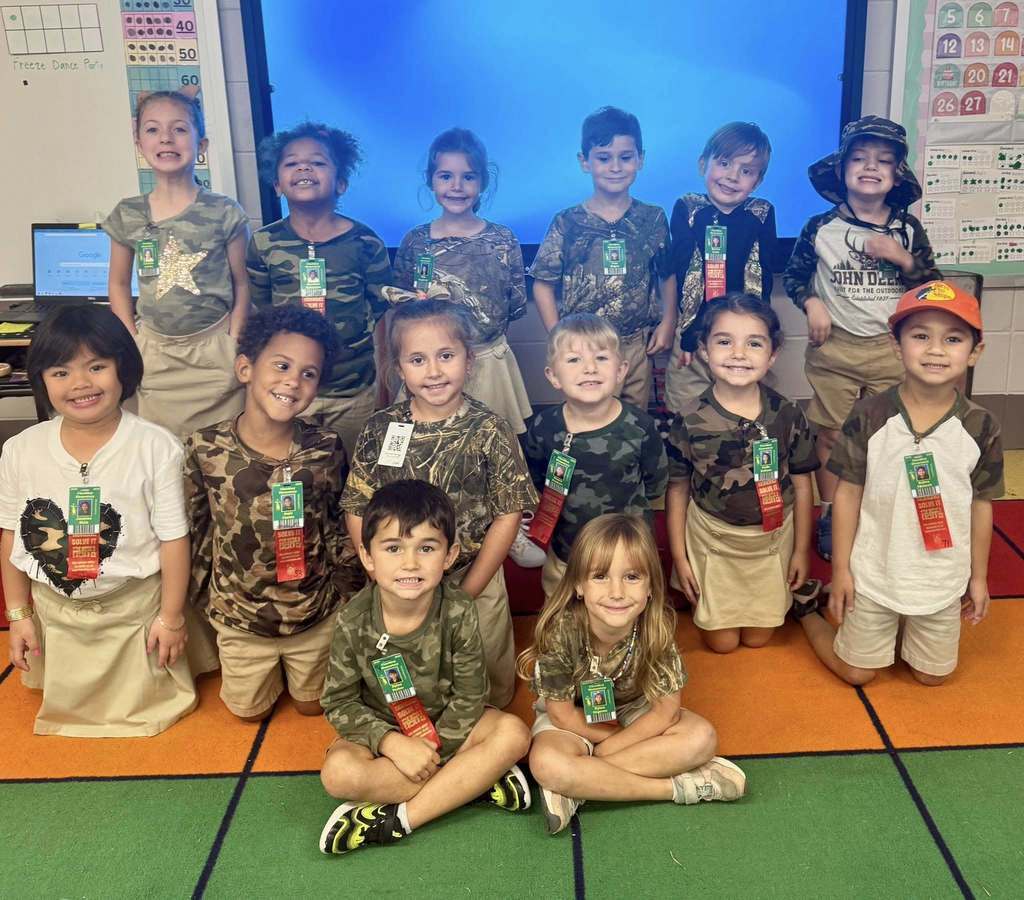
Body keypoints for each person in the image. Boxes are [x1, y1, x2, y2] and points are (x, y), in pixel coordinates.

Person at [794, 281, 1003, 686]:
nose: (936, 349)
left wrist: (978, 578)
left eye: (953, 338)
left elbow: (982, 504)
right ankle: (805, 611)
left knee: (932, 677)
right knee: (857, 673)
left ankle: (908, 621)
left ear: (975, 351)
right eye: (920, 336)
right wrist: (841, 571)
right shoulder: (869, 414)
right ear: (897, 345)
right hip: (873, 570)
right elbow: (847, 493)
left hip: (941, 576)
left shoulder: (981, 426)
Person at [0, 306, 195, 736]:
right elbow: (12, 535)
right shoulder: (20, 449)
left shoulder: (157, 447)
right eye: (60, 372)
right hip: (57, 611)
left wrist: (172, 617)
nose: (81, 384)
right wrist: (19, 615)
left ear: (122, 367)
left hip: (134, 610)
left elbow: (174, 537)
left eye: (96, 366)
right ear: (40, 380)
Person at [342, 300, 537, 707]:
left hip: (474, 582)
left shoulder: (490, 428)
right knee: (410, 689)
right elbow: (358, 504)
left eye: (446, 356)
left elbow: (508, 514)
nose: (433, 371)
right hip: (400, 583)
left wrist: (467, 591)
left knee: (484, 692)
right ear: (399, 369)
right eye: (417, 359)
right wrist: (378, 570)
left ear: (469, 361)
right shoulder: (382, 429)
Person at [319, 480, 531, 855]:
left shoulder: (458, 609)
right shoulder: (353, 620)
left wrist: (432, 750)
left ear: (450, 556)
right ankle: (472, 783)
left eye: (427, 548)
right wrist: (392, 743)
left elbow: (469, 697)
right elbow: (339, 703)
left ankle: (400, 819)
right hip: (386, 737)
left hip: (449, 729)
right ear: (367, 557)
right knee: (339, 774)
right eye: (393, 548)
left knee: (514, 733)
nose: (410, 563)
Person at [184, 306, 361, 721]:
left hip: (313, 612)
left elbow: (339, 523)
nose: (293, 381)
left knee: (311, 708)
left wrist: (352, 595)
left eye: (309, 373)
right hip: (239, 617)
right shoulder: (206, 448)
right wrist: (181, 608)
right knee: (248, 716)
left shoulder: (326, 447)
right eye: (281, 365)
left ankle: (300, 671)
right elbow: (196, 528)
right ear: (245, 368)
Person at [518, 514, 745, 835]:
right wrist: (610, 742)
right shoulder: (561, 631)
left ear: (651, 586)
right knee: (546, 763)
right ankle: (679, 788)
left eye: (632, 577)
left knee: (702, 738)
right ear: (579, 586)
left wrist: (611, 748)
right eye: (600, 576)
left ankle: (577, 788)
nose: (617, 591)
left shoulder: (656, 627)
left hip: (635, 712)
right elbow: (561, 714)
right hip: (572, 719)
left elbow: (666, 710)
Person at [783, 116, 939, 560]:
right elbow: (795, 278)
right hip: (835, 350)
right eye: (859, 158)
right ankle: (833, 512)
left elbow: (933, 285)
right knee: (831, 434)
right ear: (842, 170)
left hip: (891, 351)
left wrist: (903, 259)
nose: (870, 167)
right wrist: (812, 303)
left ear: (896, 176)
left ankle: (878, 509)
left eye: (883, 161)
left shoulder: (906, 230)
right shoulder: (820, 227)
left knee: (891, 435)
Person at [664, 294, 819, 653]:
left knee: (757, 640)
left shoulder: (788, 415)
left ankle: (798, 600)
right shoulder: (688, 418)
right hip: (713, 541)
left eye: (754, 343)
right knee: (722, 644)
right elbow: (677, 489)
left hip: (771, 540)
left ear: (773, 352)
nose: (738, 353)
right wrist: (679, 557)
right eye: (724, 341)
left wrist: (800, 552)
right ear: (703, 349)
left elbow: (802, 482)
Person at [104, 88, 250, 440]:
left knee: (220, 451)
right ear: (139, 143)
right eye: (153, 129)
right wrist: (133, 340)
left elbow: (242, 283)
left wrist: (232, 340)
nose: (166, 138)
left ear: (202, 145)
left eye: (180, 129)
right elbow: (119, 284)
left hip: (214, 351)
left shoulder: (224, 211)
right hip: (155, 355)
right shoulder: (129, 213)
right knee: (163, 456)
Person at [246, 122, 393, 456]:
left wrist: (385, 383)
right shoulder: (264, 243)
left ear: (340, 181)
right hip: (289, 392)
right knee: (298, 481)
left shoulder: (365, 242)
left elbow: (381, 314)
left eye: (318, 161)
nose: (303, 167)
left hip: (353, 391)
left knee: (356, 478)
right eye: (291, 162)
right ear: (277, 184)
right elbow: (263, 312)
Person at [530, 106, 675, 409]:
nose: (615, 167)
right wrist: (561, 336)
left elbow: (667, 274)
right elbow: (543, 285)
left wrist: (668, 321)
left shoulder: (652, 218)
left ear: (640, 159)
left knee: (634, 421)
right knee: (585, 420)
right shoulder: (567, 222)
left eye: (625, 157)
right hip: (584, 348)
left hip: (635, 344)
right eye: (604, 158)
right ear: (585, 162)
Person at [390, 128, 532, 434]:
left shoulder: (502, 239)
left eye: (468, 177)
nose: (457, 186)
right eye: (445, 176)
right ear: (431, 180)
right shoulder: (416, 242)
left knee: (494, 447)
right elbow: (401, 308)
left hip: (489, 363)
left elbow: (516, 304)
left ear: (482, 182)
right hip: (432, 369)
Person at [523, 314, 667, 598]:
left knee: (625, 618)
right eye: (574, 360)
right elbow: (537, 480)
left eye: (601, 358)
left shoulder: (640, 427)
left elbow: (656, 483)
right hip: (568, 552)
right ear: (553, 376)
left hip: (627, 553)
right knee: (564, 621)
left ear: (621, 370)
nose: (589, 368)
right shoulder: (544, 428)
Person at [665, 122, 778, 413]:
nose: (732, 176)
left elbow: (762, 276)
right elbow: (685, 271)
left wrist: (760, 335)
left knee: (746, 407)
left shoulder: (761, 213)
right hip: (693, 328)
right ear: (704, 163)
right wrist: (691, 335)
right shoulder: (688, 208)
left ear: (758, 181)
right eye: (724, 163)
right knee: (685, 407)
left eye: (746, 170)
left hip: (744, 332)